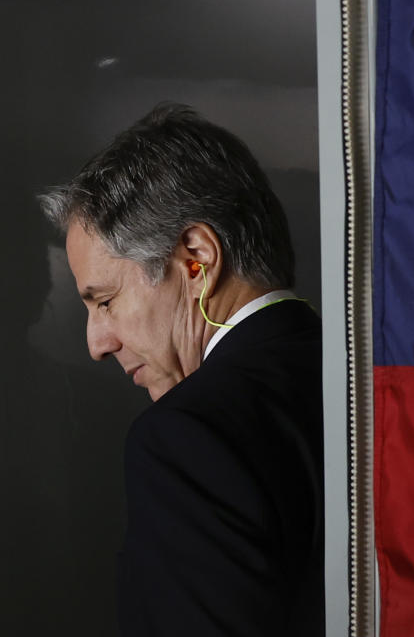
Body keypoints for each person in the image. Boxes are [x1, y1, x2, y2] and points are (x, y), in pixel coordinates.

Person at [40, 103, 325, 636]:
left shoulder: (186, 437)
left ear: (197, 259)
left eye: (104, 300)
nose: (96, 343)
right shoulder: (379, 386)